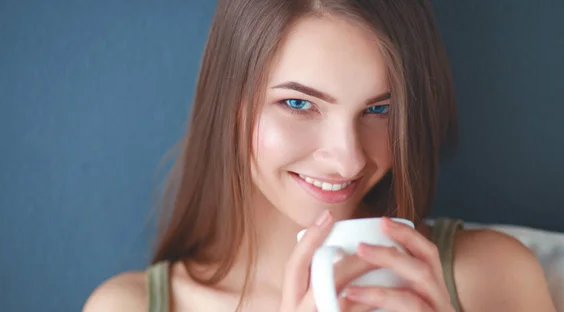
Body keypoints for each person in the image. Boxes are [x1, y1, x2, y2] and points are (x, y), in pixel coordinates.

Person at [83, 0, 556, 311]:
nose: (348, 160)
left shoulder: (492, 280)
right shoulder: (129, 306)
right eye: (298, 103)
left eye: (380, 108)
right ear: (228, 104)